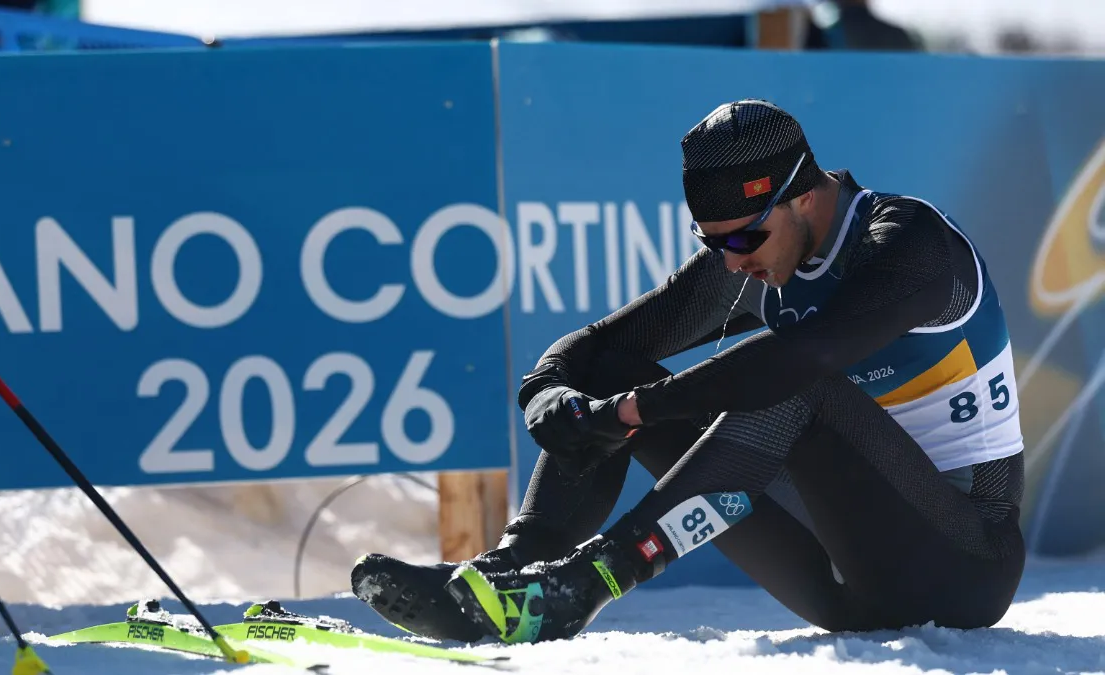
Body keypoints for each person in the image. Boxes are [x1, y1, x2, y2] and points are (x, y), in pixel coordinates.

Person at [350, 99, 1026, 645]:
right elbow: (587, 352)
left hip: (963, 565)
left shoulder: (910, 243)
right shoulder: (760, 252)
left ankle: (582, 586)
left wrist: (632, 412)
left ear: (804, 197)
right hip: (840, 579)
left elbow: (802, 359)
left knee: (792, 380)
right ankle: (510, 574)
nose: (731, 263)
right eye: (711, 243)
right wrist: (549, 394)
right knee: (609, 379)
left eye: (742, 240)